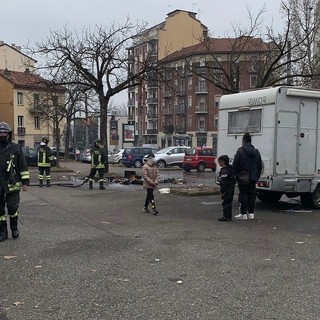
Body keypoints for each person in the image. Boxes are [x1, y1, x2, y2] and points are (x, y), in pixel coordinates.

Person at [0, 121, 29, 241]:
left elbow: (22, 166)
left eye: (4, 132)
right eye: (0, 132)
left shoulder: (15, 148)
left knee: (12, 207)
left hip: (12, 183)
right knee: (0, 210)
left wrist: (25, 182)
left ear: (9, 134)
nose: (2, 134)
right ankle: (2, 232)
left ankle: (14, 227)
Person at [233, 133, 263, 220]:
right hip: (253, 177)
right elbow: (259, 165)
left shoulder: (240, 151)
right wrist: (257, 176)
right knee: (252, 195)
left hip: (243, 176)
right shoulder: (256, 152)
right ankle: (251, 213)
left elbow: (236, 164)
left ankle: (243, 213)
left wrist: (235, 176)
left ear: (243, 141)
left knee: (243, 194)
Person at [217, 155, 235, 222]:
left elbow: (224, 182)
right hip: (231, 187)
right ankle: (229, 216)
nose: (218, 163)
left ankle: (226, 216)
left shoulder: (224, 171)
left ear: (223, 162)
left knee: (225, 202)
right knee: (229, 202)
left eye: (219, 162)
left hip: (227, 188)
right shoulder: (231, 168)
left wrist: (222, 191)